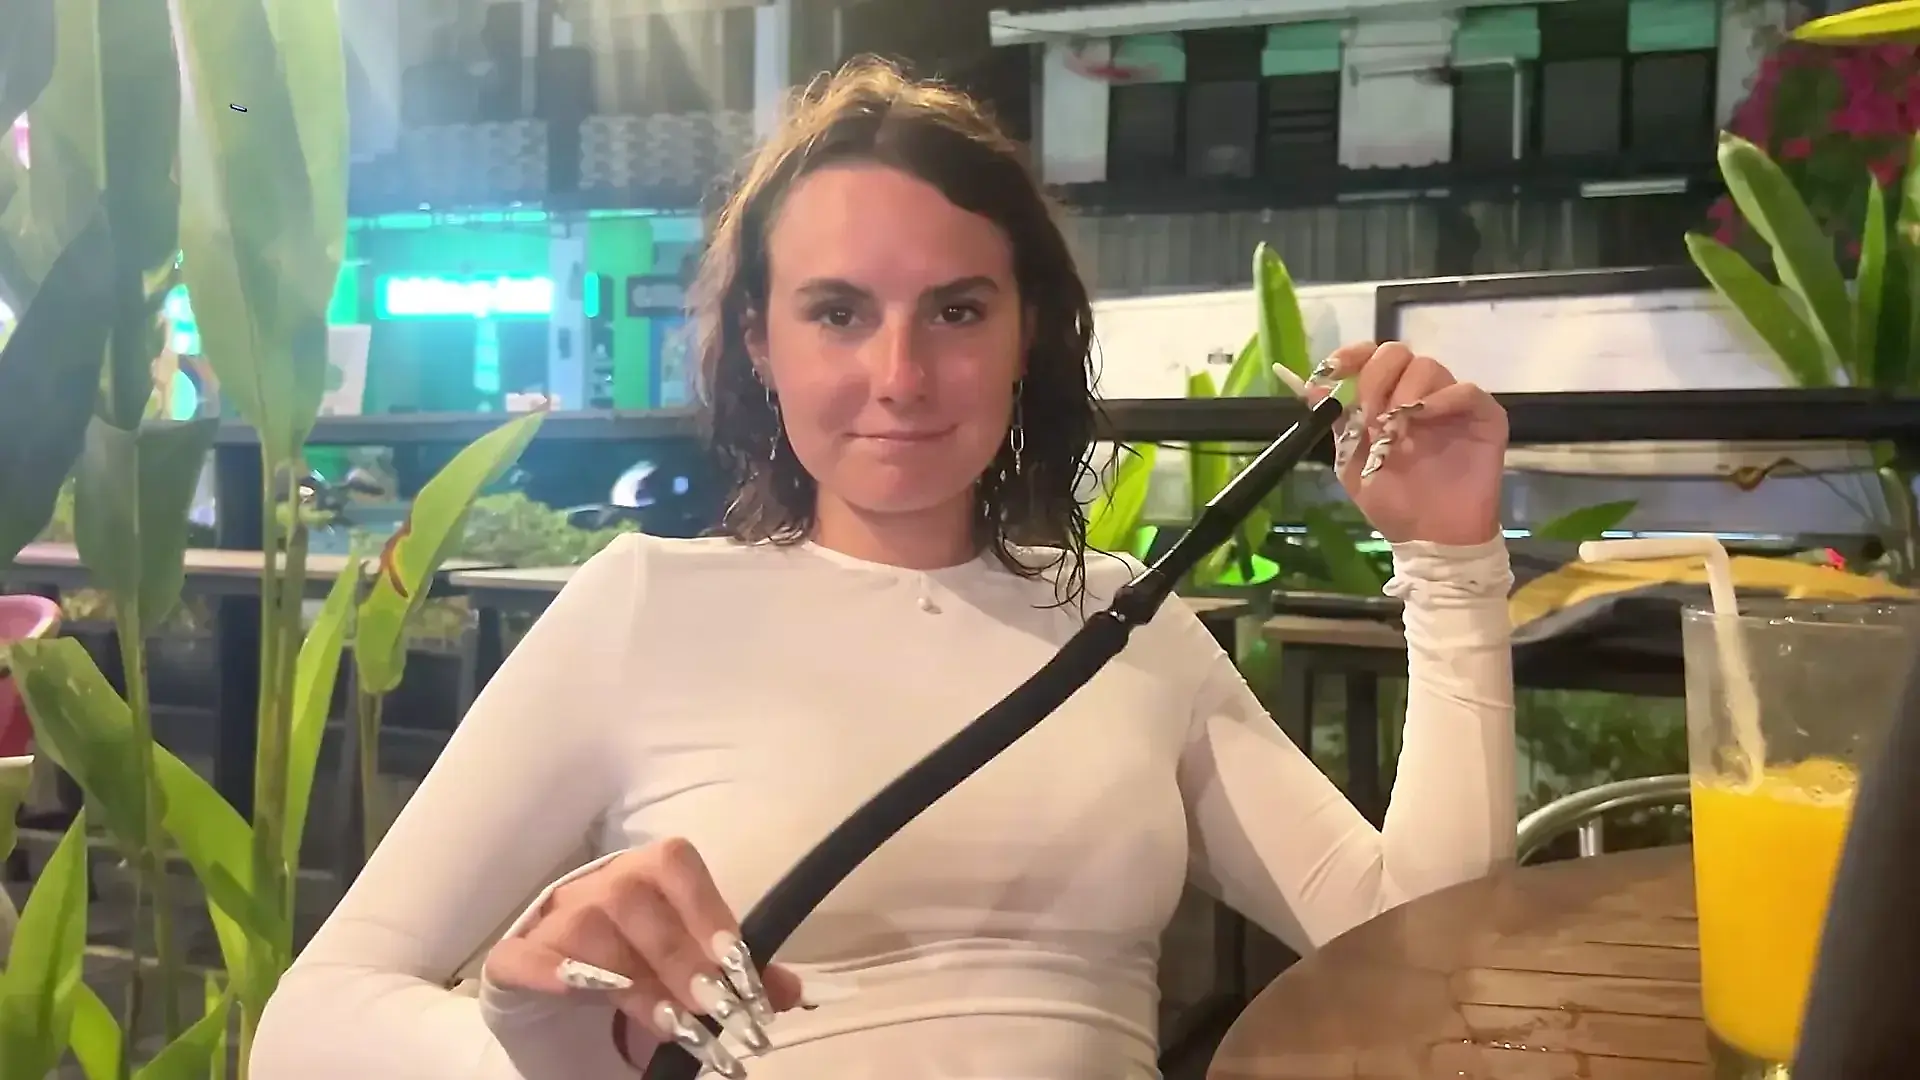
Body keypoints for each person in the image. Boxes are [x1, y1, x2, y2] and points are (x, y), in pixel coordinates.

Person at [249, 59, 1516, 1080]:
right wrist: (542, 1042)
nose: (901, 377)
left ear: (1026, 334)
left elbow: (1425, 950)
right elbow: (313, 1023)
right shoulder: (644, 608)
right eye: (839, 312)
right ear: (760, 339)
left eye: (958, 312)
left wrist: (1454, 561)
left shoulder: (1129, 622)